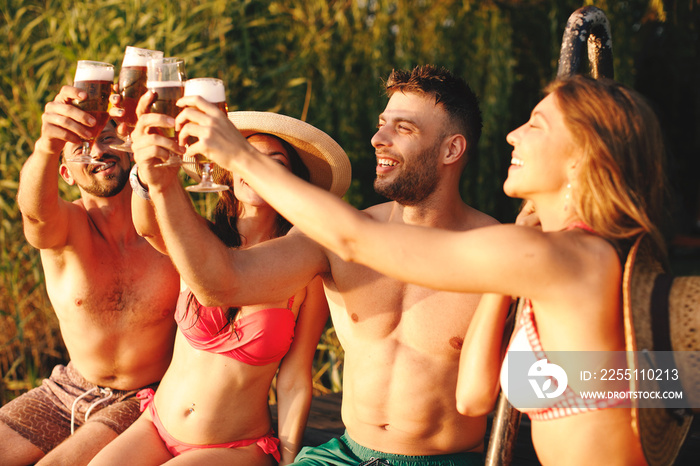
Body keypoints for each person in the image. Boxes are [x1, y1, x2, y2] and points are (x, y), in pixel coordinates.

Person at [186, 75, 668, 465]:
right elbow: (477, 397)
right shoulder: (554, 252)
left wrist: (240, 155)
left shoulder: (556, 256)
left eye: (536, 125)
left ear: (582, 156)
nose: (512, 135)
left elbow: (355, 239)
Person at [133, 64, 498, 465]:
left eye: (404, 129)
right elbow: (220, 282)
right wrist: (161, 182)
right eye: (382, 124)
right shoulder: (332, 237)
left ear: (452, 149)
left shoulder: (496, 254)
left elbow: (567, 385)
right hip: (343, 455)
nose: (378, 139)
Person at [89, 107, 350, 465]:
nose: (262, 168)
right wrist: (147, 167)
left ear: (291, 183)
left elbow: (294, 379)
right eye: (250, 158)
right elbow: (149, 226)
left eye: (277, 162)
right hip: (156, 423)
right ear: (230, 170)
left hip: (233, 445)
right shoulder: (204, 244)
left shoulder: (307, 270)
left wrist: (289, 461)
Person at [1, 85, 181, 465]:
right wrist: (48, 145)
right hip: (67, 388)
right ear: (64, 172)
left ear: (129, 146)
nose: (98, 151)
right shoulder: (65, 229)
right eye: (80, 146)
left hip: (146, 397)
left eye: (109, 138)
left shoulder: (168, 229)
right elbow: (34, 212)